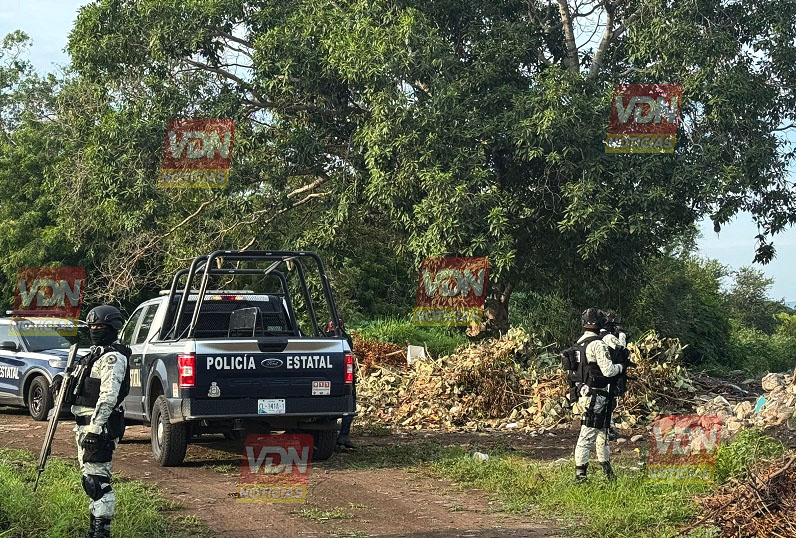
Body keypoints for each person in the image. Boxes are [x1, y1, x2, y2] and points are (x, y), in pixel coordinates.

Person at [70, 305, 131, 538]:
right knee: (90, 481)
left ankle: (101, 533)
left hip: (99, 428)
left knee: (98, 483)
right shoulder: (95, 354)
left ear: (112, 328)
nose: (95, 330)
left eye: (100, 326)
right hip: (84, 426)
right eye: (92, 326)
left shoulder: (113, 357)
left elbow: (108, 396)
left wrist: (95, 430)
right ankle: (94, 530)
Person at [573, 307, 624, 483]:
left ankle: (608, 472)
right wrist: (621, 367)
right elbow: (609, 371)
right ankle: (581, 476)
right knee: (587, 435)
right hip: (597, 394)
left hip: (584, 393)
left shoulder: (579, 343)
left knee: (602, 431)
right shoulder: (598, 344)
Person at [326, 318, 356, 450]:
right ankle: (343, 435)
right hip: (343, 380)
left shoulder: (323, 337)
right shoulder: (345, 339)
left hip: (328, 380)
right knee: (349, 406)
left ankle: (338, 435)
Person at [601, 310, 629, 440]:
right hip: (607, 374)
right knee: (608, 403)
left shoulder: (594, 336)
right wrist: (622, 336)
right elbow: (621, 350)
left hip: (598, 374)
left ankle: (607, 428)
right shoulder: (607, 336)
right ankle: (608, 429)